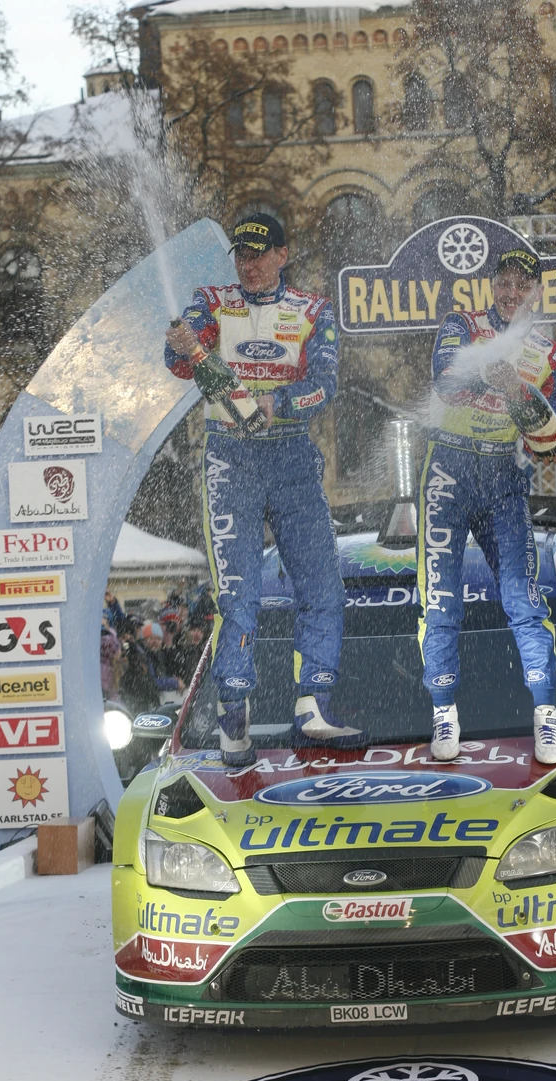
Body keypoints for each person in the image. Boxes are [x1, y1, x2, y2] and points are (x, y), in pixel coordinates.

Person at [165, 211, 365, 765]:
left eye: (259, 254)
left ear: (282, 255)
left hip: (291, 454)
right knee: (239, 593)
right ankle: (234, 712)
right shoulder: (212, 303)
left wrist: (281, 401)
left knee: (322, 586)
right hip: (230, 456)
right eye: (242, 255)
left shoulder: (313, 311)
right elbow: (178, 362)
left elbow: (325, 384)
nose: (249, 265)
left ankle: (314, 704)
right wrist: (182, 344)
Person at [416, 247, 556, 764]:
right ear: (492, 285)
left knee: (523, 599)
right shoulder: (461, 324)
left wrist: (522, 399)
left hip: (503, 476)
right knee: (441, 600)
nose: (510, 292)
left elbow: (551, 437)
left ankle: (545, 715)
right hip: (448, 470)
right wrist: (489, 378)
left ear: (535, 294)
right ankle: (444, 712)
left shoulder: (548, 354)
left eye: (521, 285)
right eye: (503, 282)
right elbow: (445, 380)